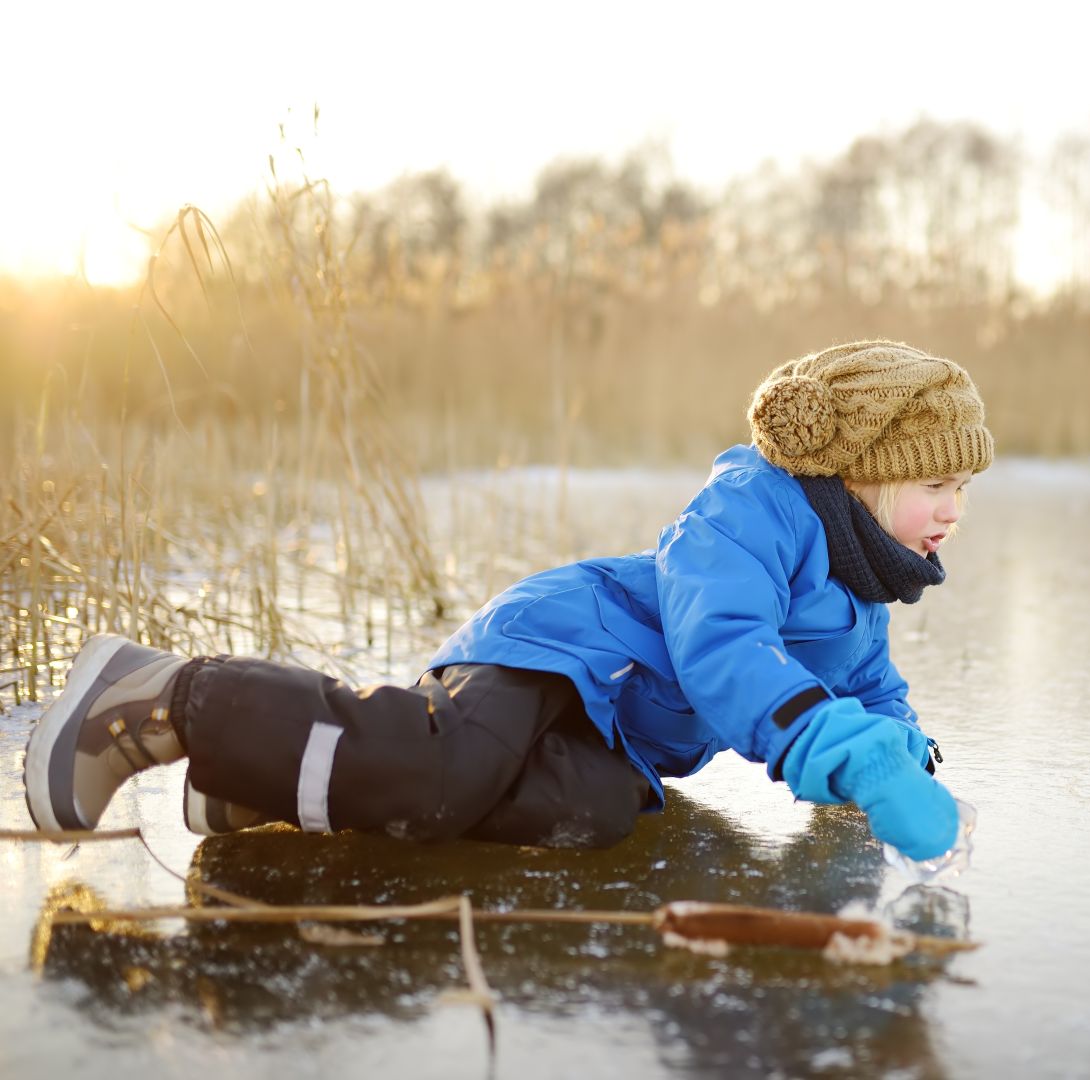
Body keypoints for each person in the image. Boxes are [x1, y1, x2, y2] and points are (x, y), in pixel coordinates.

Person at [24, 340, 993, 861]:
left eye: (963, 492)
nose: (952, 512)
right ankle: (162, 696)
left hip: (614, 730)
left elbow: (872, 692)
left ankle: (256, 776)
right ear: (861, 474)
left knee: (597, 813)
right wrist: (835, 746)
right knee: (457, 770)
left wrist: (898, 758)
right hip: (561, 652)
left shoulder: (858, 606)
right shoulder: (748, 511)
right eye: (935, 486)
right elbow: (723, 647)